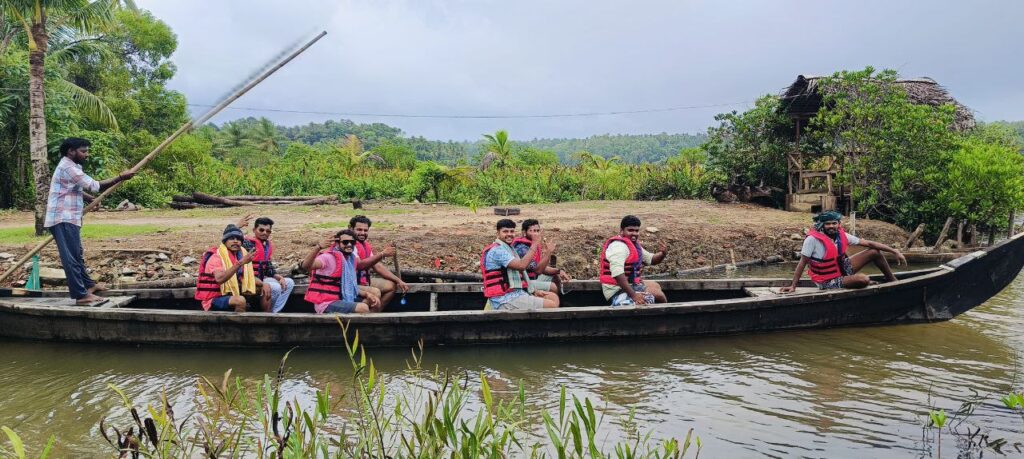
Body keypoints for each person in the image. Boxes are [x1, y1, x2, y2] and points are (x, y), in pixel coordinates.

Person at [44, 137, 135, 305]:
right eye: (83, 151)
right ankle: (80, 295)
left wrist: (89, 198)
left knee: (76, 254)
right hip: (62, 218)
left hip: (70, 217)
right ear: (71, 151)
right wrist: (121, 177)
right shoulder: (68, 167)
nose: (87, 155)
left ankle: (88, 285)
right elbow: (96, 185)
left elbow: (73, 188)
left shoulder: (72, 166)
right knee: (70, 258)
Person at [780, 210, 907, 292]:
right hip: (826, 280)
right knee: (864, 279)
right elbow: (802, 263)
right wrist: (793, 286)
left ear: (838, 224)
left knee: (874, 252)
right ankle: (855, 281)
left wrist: (894, 251)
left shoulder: (842, 235)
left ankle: (893, 281)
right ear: (822, 225)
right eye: (827, 224)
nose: (831, 226)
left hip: (841, 270)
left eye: (834, 223)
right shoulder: (812, 240)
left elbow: (869, 243)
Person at [481, 219, 560, 310]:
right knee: (552, 304)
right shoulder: (498, 251)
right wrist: (535, 244)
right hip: (504, 298)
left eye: (512, 231)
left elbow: (530, 269)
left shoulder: (509, 248)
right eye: (505, 231)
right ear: (498, 233)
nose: (509, 234)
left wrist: (533, 290)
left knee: (553, 297)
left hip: (516, 292)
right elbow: (522, 266)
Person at [301, 229, 385, 314]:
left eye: (352, 242)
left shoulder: (351, 260)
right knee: (363, 308)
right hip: (327, 303)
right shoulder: (328, 258)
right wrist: (318, 247)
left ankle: (360, 326)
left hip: (342, 298)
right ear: (337, 243)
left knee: (375, 300)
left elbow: (350, 287)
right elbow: (306, 266)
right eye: (345, 242)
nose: (349, 244)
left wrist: (367, 294)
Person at [194, 225, 268, 312]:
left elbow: (245, 276)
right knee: (240, 301)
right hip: (213, 298)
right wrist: (240, 263)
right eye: (232, 239)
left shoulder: (239, 255)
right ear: (225, 241)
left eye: (238, 239)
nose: (236, 241)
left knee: (262, 289)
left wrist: (264, 284)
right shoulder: (216, 257)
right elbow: (219, 279)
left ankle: (268, 319)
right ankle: (237, 325)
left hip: (229, 293)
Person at [599, 215, 668, 306]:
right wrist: (634, 295)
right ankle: (663, 316)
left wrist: (663, 254)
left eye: (636, 231)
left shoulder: (633, 245)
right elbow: (617, 273)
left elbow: (651, 260)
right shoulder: (618, 247)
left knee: (655, 285)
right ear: (622, 231)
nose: (634, 233)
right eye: (630, 230)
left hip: (629, 284)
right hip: (615, 289)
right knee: (659, 295)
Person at [237, 215, 295, 313]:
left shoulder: (266, 246)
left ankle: (274, 311)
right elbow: (230, 239)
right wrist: (237, 227)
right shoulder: (246, 243)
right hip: (248, 279)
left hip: (262, 278)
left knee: (289, 282)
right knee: (275, 287)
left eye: (268, 231)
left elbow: (269, 269)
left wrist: (280, 278)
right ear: (254, 230)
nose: (265, 233)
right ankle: (267, 314)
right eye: (261, 230)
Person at [349, 215, 406, 308]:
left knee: (391, 286)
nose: (362, 233)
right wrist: (382, 254)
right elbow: (359, 265)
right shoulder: (348, 244)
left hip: (363, 281)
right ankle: (362, 315)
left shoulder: (365, 245)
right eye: (359, 230)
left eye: (365, 230)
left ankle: (374, 314)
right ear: (351, 229)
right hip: (350, 283)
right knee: (375, 292)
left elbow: (377, 266)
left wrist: (399, 280)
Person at [511, 219, 571, 293]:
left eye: (537, 231)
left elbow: (540, 267)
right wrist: (548, 252)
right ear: (524, 232)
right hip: (523, 282)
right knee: (553, 287)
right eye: (532, 231)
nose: (536, 234)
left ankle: (560, 300)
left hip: (532, 279)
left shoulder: (533, 245)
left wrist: (558, 271)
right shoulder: (521, 248)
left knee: (555, 275)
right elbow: (538, 270)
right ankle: (550, 302)